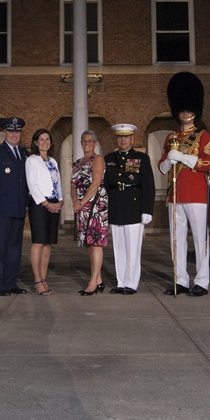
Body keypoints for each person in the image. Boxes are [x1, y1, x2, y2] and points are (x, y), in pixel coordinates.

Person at [158, 72, 210, 296]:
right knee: (176, 241)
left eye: (189, 109)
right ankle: (180, 280)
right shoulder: (171, 137)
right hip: (175, 195)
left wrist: (181, 158)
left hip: (197, 195)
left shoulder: (203, 136)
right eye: (181, 108)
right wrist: (170, 158)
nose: (185, 112)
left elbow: (208, 163)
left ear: (195, 110)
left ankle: (201, 281)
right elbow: (162, 168)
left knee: (200, 241)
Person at [104, 123, 155, 294]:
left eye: (126, 137)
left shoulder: (141, 158)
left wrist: (147, 210)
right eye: (120, 137)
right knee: (118, 248)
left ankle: (132, 284)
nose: (123, 140)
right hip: (116, 205)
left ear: (132, 139)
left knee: (133, 248)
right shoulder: (109, 158)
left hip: (134, 206)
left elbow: (148, 185)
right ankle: (121, 282)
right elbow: (106, 184)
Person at [0, 117, 29, 295]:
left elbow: (25, 182)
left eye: (17, 132)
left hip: (18, 208)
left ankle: (11, 283)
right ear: (5, 133)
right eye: (11, 131)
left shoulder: (24, 153)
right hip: (0, 209)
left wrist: (25, 204)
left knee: (14, 248)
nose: (14, 135)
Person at [25, 128, 63, 295]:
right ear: (35, 142)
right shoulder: (32, 160)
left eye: (47, 139)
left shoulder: (53, 162)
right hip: (40, 204)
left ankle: (44, 279)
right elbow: (32, 185)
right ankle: (37, 280)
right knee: (39, 242)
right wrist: (46, 203)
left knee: (48, 243)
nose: (45, 142)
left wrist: (60, 201)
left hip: (54, 203)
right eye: (41, 139)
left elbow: (58, 183)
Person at [72, 130, 108, 296]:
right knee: (88, 242)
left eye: (89, 141)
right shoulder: (78, 162)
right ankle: (98, 279)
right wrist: (74, 201)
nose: (86, 143)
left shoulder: (98, 159)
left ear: (95, 143)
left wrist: (83, 202)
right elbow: (73, 185)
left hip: (95, 204)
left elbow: (95, 184)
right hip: (82, 205)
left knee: (95, 242)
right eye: (83, 140)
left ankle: (93, 282)